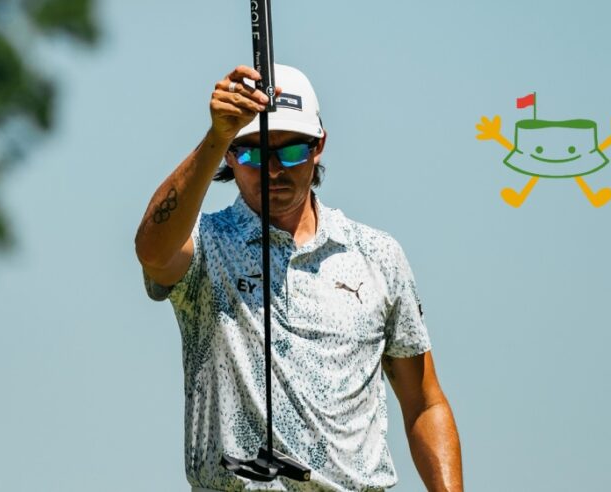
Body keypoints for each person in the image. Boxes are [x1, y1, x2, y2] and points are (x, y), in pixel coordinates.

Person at [134, 64, 463, 492]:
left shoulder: (378, 255)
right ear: (229, 156)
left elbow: (424, 403)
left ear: (319, 145)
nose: (273, 170)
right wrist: (217, 134)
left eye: (290, 152)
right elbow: (153, 252)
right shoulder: (207, 243)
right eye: (252, 154)